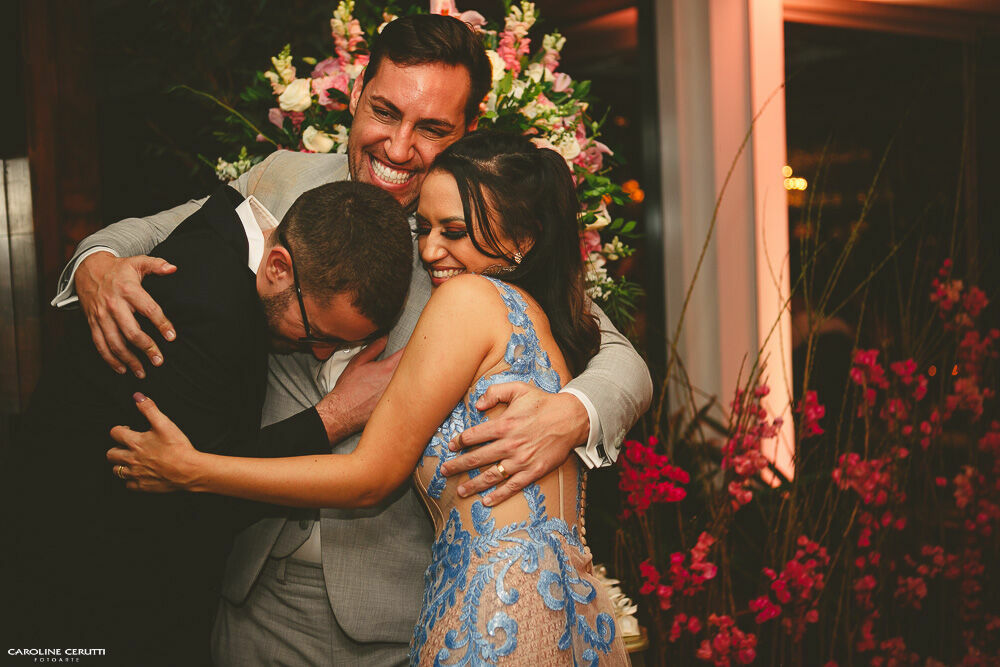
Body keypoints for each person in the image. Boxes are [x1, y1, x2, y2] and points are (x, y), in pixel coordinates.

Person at [54, 14, 651, 665]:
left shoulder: (470, 241)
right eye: (384, 112)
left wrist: (573, 411)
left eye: (432, 129)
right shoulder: (282, 178)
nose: (397, 147)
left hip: (401, 611)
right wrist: (97, 266)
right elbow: (146, 230)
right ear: (357, 94)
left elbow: (621, 358)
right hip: (255, 596)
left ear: (466, 133)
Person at [2, 180, 413, 664]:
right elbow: (200, 495)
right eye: (316, 334)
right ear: (278, 267)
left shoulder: (228, 225)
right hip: (83, 588)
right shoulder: (212, 313)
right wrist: (335, 416)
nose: (320, 353)